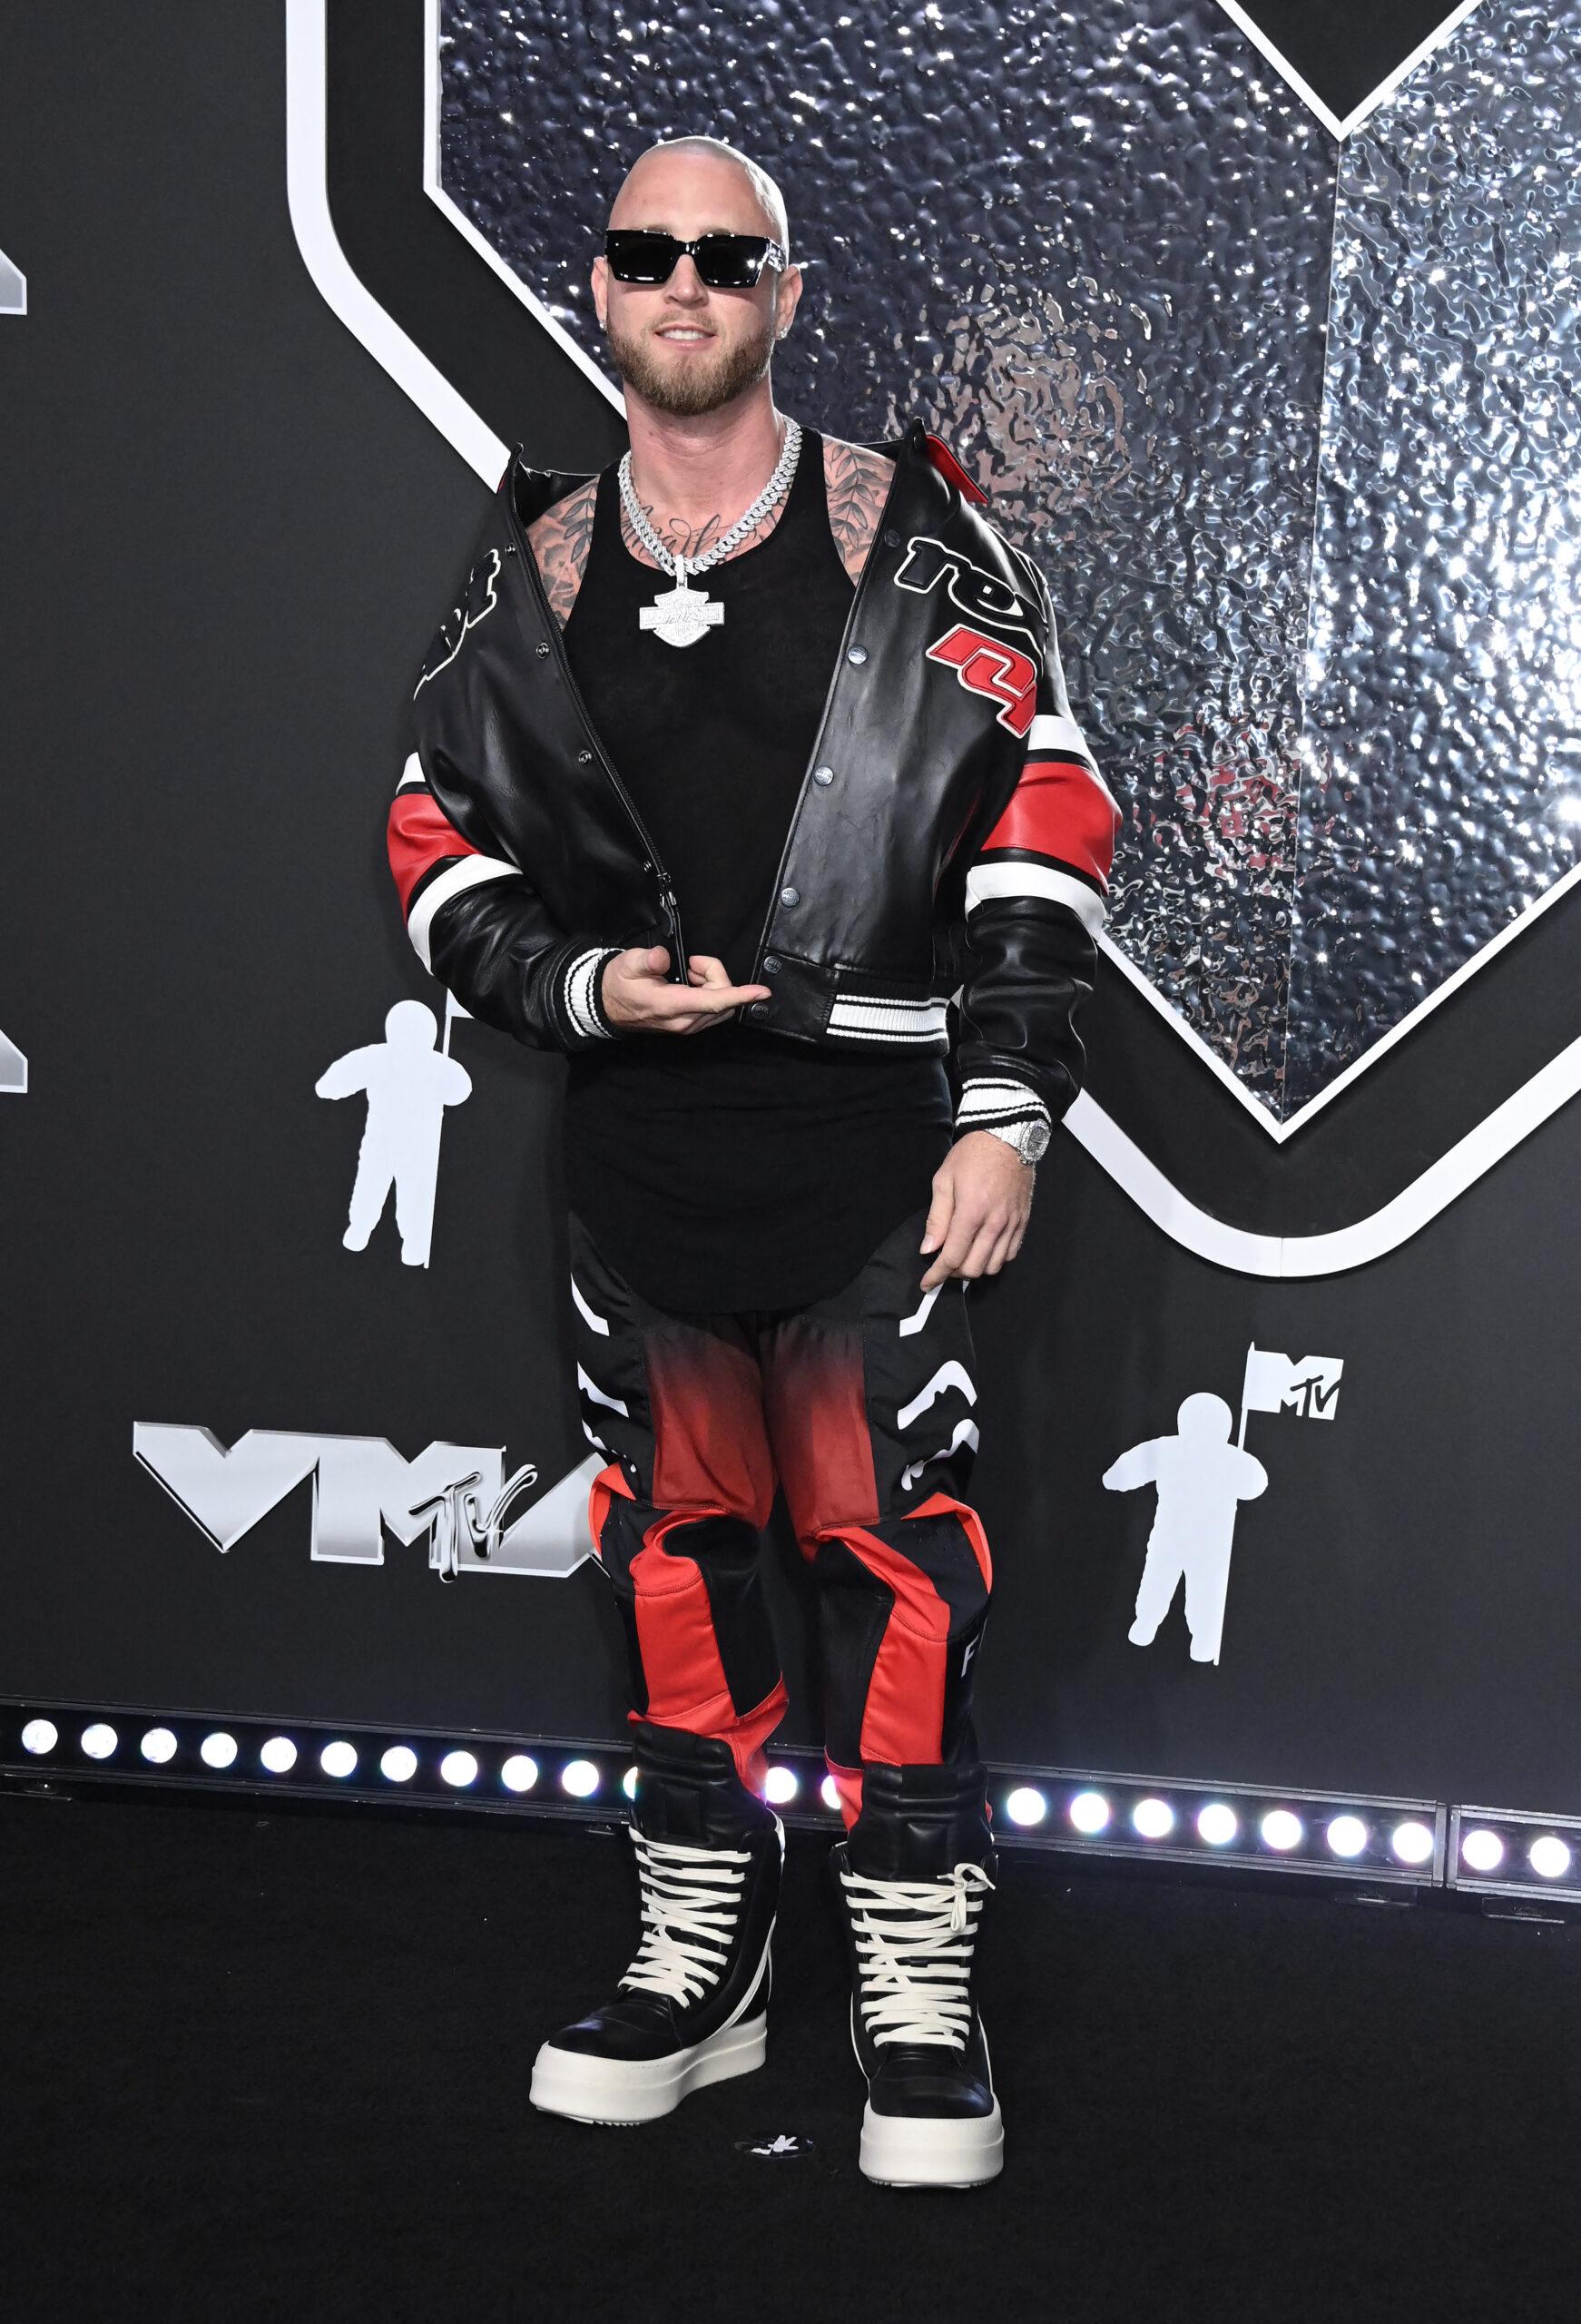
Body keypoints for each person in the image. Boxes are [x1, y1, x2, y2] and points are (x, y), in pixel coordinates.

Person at [387, 134, 1120, 2188]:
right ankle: (700, 1957)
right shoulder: (528, 554)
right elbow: (434, 829)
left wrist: (1003, 1099)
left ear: (788, 292)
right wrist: (579, 980)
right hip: (641, 1169)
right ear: (597, 292)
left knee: (898, 1573)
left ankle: (911, 1979)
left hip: (881, 1161)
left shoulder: (912, 534)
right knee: (671, 1567)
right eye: (647, 252)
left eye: (727, 254)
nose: (684, 281)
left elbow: (1043, 805)